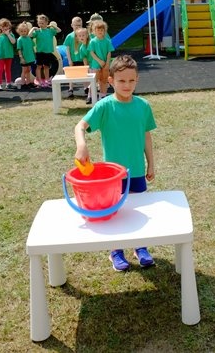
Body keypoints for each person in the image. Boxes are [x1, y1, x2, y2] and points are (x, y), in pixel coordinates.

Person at [74, 55, 156, 272]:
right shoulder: (104, 106)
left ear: (137, 80)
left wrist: (151, 164)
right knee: (115, 214)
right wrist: (81, 145)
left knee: (138, 212)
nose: (126, 85)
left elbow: (146, 136)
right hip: (112, 176)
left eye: (131, 80)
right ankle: (116, 251)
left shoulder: (143, 106)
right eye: (121, 81)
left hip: (136, 172)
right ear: (110, 81)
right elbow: (80, 126)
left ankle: (141, 247)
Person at [30, 14, 61, 87]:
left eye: (42, 23)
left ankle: (47, 80)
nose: (41, 25)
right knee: (39, 66)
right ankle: (39, 80)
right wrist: (33, 28)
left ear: (47, 23)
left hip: (48, 52)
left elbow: (59, 30)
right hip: (40, 52)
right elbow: (29, 35)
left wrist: (52, 26)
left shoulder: (50, 31)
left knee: (46, 66)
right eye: (39, 23)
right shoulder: (37, 31)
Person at [86, 20, 114, 99]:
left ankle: (102, 96)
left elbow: (109, 52)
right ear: (94, 31)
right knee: (94, 80)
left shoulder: (107, 41)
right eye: (98, 30)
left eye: (102, 30)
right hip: (96, 64)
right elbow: (92, 53)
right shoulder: (93, 41)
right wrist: (99, 61)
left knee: (104, 80)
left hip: (105, 64)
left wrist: (107, 63)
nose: (100, 32)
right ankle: (90, 96)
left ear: (104, 31)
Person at [0, 18, 17, 92]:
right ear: (0, 27)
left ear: (9, 27)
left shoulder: (11, 34)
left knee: (8, 69)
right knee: (0, 69)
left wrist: (8, 34)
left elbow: (13, 42)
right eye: (3, 26)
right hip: (0, 56)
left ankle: (8, 83)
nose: (5, 28)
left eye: (7, 26)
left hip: (9, 55)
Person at [63, 17, 85, 97]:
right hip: (73, 59)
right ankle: (71, 88)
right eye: (76, 25)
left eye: (79, 25)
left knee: (85, 74)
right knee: (71, 75)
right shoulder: (69, 36)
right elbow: (67, 49)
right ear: (72, 25)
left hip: (83, 58)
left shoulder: (84, 35)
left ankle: (86, 87)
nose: (78, 27)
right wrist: (69, 60)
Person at [15, 21, 36, 89]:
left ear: (27, 31)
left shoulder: (29, 38)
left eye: (25, 31)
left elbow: (32, 47)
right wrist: (21, 58)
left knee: (28, 70)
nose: (23, 33)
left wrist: (34, 54)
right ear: (19, 31)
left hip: (30, 57)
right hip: (24, 58)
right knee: (24, 70)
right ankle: (23, 83)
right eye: (21, 31)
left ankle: (28, 83)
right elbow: (19, 49)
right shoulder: (19, 40)